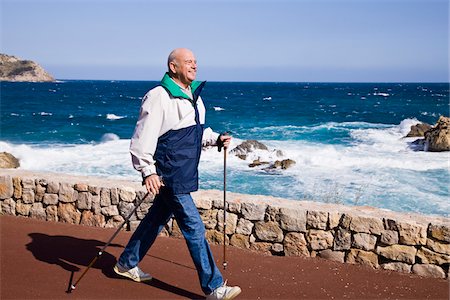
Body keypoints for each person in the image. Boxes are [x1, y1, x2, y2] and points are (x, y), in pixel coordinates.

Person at [114, 48, 241, 300]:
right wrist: (148, 172)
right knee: (194, 227)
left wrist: (216, 139)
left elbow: (195, 133)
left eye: (195, 62)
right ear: (173, 67)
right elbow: (142, 137)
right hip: (169, 174)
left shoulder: (194, 96)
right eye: (188, 62)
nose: (194, 66)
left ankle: (126, 263)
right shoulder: (159, 96)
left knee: (155, 220)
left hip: (183, 172)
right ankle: (214, 287)